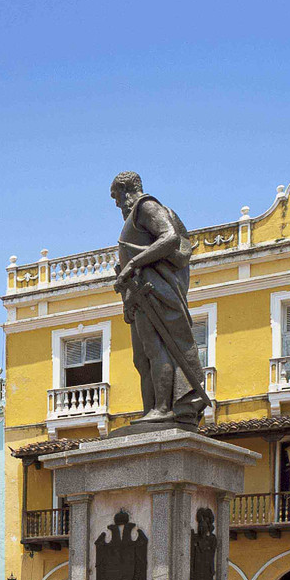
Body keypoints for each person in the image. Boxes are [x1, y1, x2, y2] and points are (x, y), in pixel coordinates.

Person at [111, 171, 207, 428]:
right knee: (142, 358)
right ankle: (151, 410)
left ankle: (163, 408)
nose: (118, 204)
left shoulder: (146, 206)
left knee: (156, 349)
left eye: (118, 197)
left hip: (156, 293)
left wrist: (133, 262)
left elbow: (169, 237)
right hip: (140, 296)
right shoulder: (135, 215)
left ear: (128, 191)